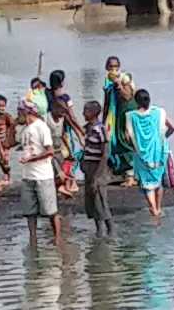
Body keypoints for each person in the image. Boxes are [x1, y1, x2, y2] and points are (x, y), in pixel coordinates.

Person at [125, 88, 174, 218]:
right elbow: (173, 127)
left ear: (136, 101)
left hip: (142, 154)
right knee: (158, 181)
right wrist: (164, 138)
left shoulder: (131, 116)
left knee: (147, 185)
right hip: (159, 152)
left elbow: (128, 136)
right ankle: (158, 208)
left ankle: (153, 209)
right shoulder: (159, 112)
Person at [18, 100, 61, 245]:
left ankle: (57, 238)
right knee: (29, 212)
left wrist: (32, 159)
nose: (18, 115)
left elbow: (50, 151)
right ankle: (33, 238)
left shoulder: (41, 127)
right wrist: (12, 126)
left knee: (50, 210)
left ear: (27, 112)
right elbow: (9, 143)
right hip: (27, 175)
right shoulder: (24, 129)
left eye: (20, 112)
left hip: (43, 175)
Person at [46, 69, 83, 199]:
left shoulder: (47, 94)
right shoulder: (64, 98)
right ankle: (69, 182)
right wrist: (80, 131)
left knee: (56, 156)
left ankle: (61, 183)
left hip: (51, 129)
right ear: (62, 81)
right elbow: (71, 116)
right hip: (64, 129)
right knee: (69, 155)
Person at [80, 101, 113, 236]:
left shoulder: (101, 130)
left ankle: (110, 230)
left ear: (93, 113)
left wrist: (97, 176)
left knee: (100, 200)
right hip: (89, 168)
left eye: (86, 111)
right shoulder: (88, 128)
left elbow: (105, 154)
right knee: (92, 201)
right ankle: (99, 230)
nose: (83, 113)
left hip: (98, 169)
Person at [101, 57, 136, 188]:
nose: (113, 69)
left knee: (125, 141)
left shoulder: (125, 78)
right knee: (114, 142)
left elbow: (128, 96)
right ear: (106, 68)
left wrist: (118, 84)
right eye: (110, 67)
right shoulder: (107, 81)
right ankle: (123, 173)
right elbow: (106, 101)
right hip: (114, 115)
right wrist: (103, 119)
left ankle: (131, 176)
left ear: (119, 66)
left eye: (115, 66)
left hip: (125, 114)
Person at [0, 94, 16, 183]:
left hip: (6, 141)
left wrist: (9, 140)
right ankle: (7, 175)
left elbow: (13, 126)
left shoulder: (7, 116)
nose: (1, 108)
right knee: (2, 159)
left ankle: (7, 176)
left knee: (5, 158)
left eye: (3, 106)